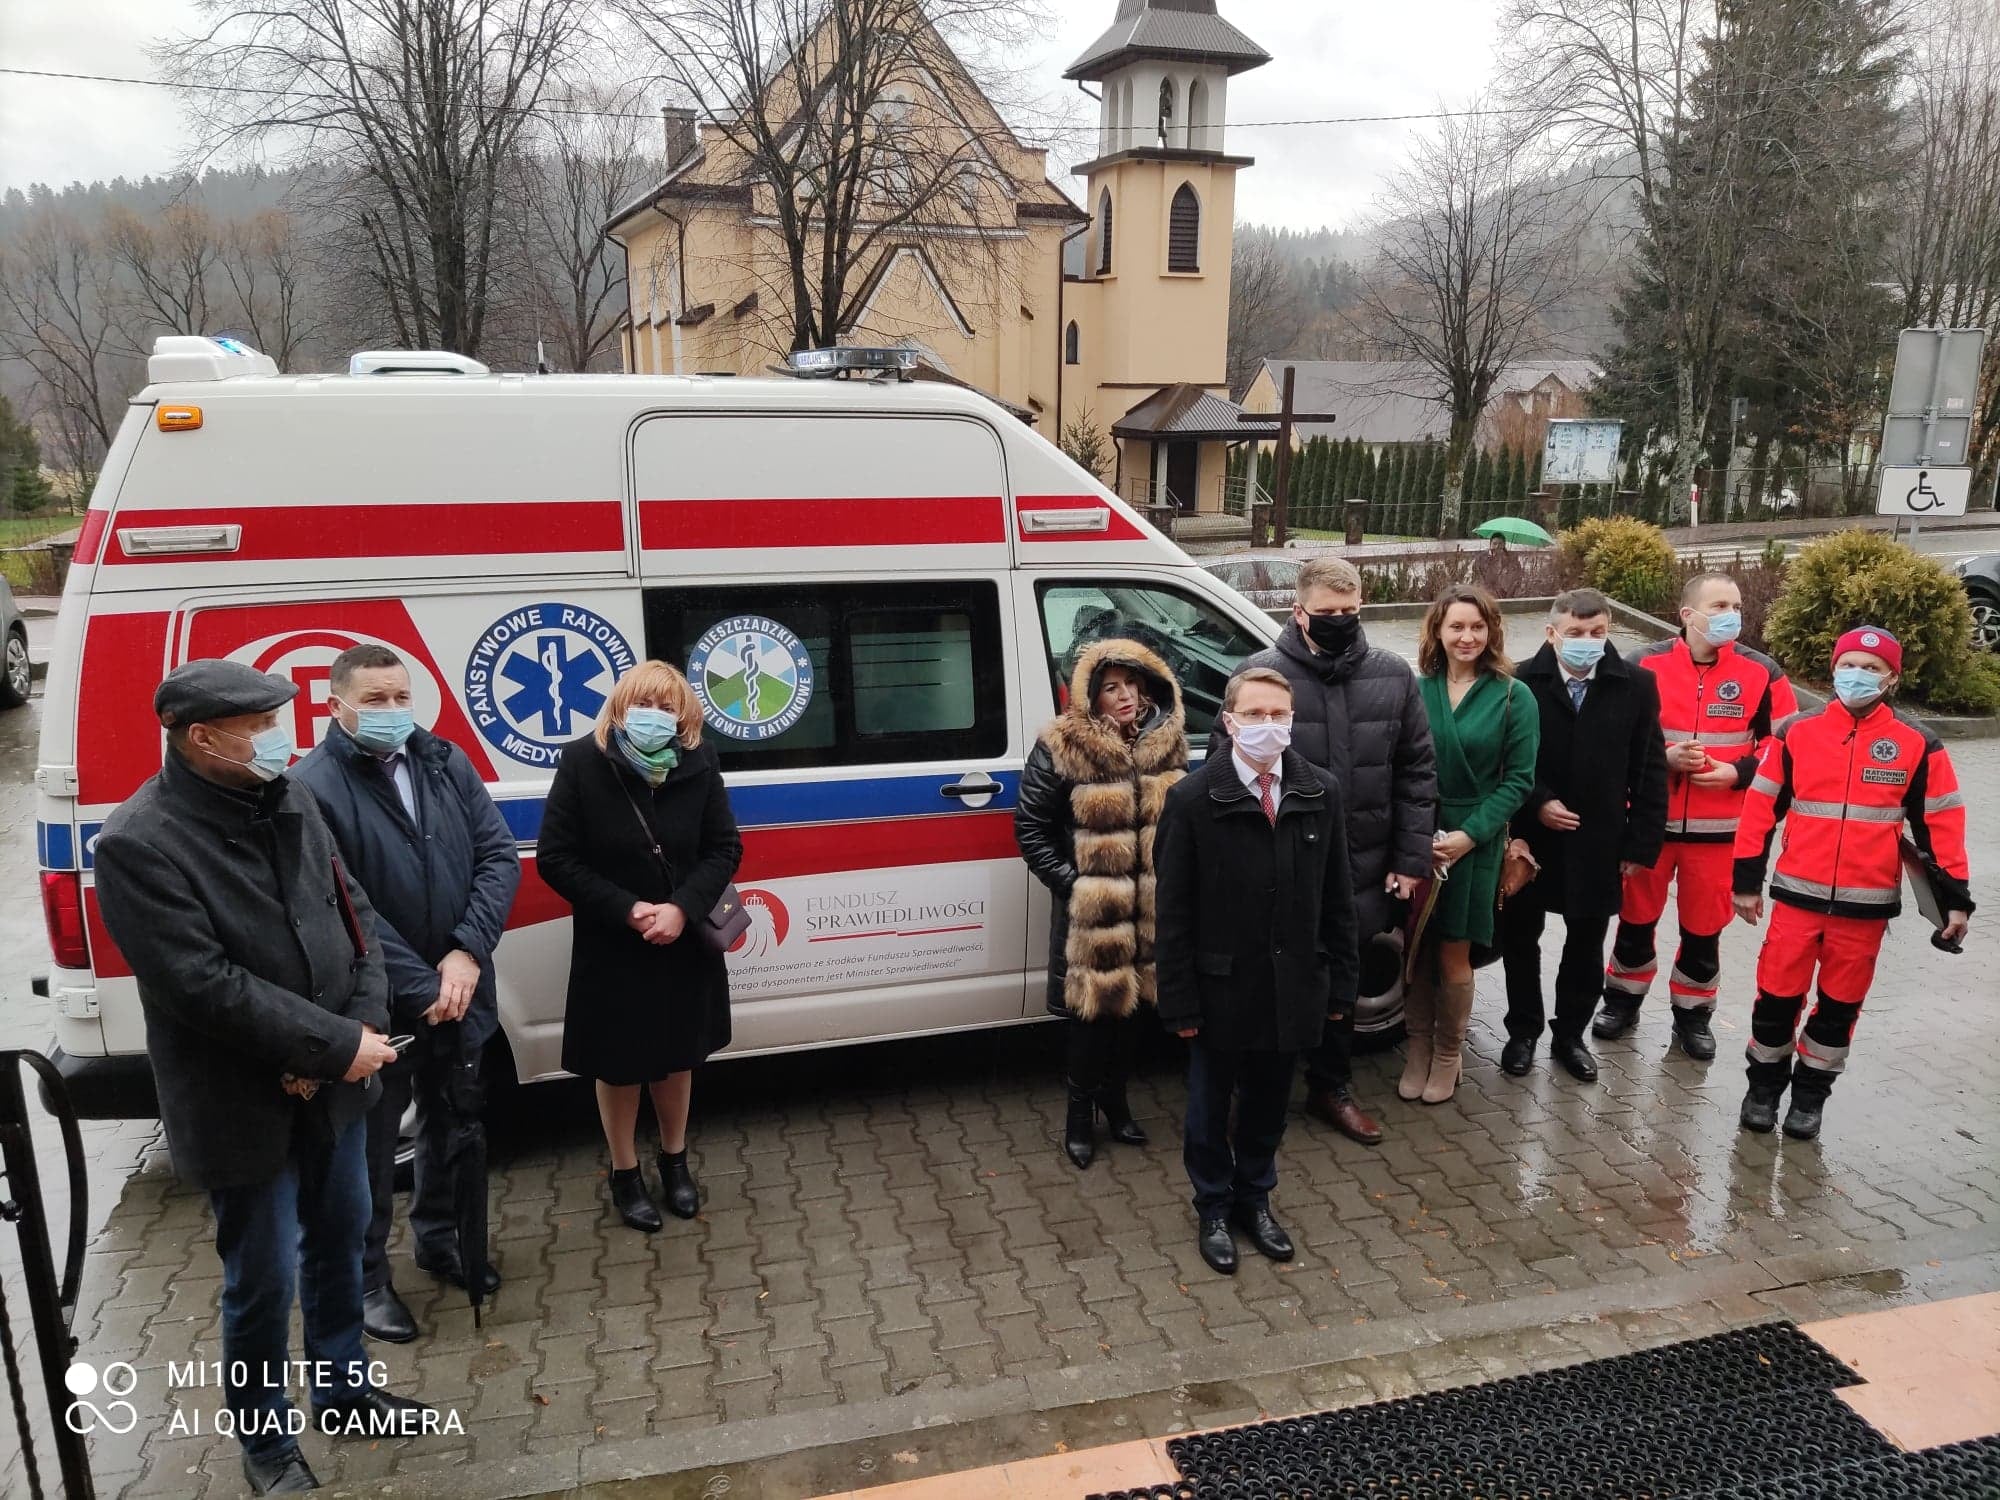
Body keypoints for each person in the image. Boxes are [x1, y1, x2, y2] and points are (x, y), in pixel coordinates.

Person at [91, 660, 424, 1497]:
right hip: (242, 1104)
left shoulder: (292, 799)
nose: (283, 739)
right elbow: (201, 985)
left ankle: (343, 1390)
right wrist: (332, 1046)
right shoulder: (139, 841)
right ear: (202, 738)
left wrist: (365, 1026)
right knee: (262, 1280)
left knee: (344, 1242)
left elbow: (357, 917)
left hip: (337, 1081)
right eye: (263, 725)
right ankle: (267, 1443)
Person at [293, 645, 522, 1345]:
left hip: (460, 992)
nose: (392, 711)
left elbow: (497, 856)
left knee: (451, 1125)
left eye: (400, 697)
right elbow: (341, 903)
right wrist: (424, 984)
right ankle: (364, 1280)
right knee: (365, 1152)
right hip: (377, 1010)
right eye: (375, 700)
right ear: (336, 707)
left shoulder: (443, 761)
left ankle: (443, 1240)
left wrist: (465, 950)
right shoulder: (313, 786)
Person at [1204, 557, 1436, 1145]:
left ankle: (1331, 1086)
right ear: (1298, 611)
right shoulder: (1259, 677)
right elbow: (1219, 775)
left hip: (1357, 863)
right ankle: (1248, 1096)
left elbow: (1416, 771)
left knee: (1341, 979)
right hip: (1275, 864)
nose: (1339, 622)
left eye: (1349, 612)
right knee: (1263, 980)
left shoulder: (1392, 673)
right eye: (1326, 614)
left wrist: (1410, 862)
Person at [1155, 668, 1359, 1275]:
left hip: (1292, 984)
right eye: (1255, 715)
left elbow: (1337, 898)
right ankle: (1213, 1205)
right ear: (1227, 719)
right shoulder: (1191, 801)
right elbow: (1173, 913)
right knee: (1209, 1107)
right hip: (1221, 988)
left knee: (1271, 1100)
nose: (1268, 726)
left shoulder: (1321, 791)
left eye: (1279, 715)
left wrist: (1341, 983)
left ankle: (1255, 1199)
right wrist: (1181, 1000)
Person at [1732, 626, 1973, 1138]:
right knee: (1775, 999)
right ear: (1833, 668)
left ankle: (1810, 1098)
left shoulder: (1917, 744)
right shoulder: (1796, 731)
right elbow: (1759, 810)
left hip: (1865, 912)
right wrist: (1746, 882)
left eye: (1871, 669)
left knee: (1838, 1010)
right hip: (1797, 899)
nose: (1857, 676)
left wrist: (1957, 903)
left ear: (1891, 679)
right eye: (1849, 665)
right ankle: (1763, 1088)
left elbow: (1942, 826)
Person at [537, 661, 742, 1231]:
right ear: (620, 708)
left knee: (677, 1059)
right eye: (641, 704)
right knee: (620, 1066)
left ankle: (675, 1162)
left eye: (665, 706)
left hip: (682, 939)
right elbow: (555, 858)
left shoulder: (700, 764)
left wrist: (682, 907)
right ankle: (624, 1173)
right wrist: (627, 909)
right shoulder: (583, 762)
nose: (652, 716)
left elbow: (724, 848)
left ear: (683, 716)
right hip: (614, 944)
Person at [1597, 573, 1797, 1058]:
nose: (1732, 614)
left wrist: (1739, 771)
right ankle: (1622, 1003)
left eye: (1736, 604)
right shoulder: (1642, 664)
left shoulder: (1763, 672)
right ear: (1688, 615)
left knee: (1703, 932)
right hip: (1650, 827)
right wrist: (1662, 759)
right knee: (1635, 922)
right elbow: (1609, 735)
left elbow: (1787, 746)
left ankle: (1692, 1017)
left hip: (1721, 832)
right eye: (1720, 604)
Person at [1016, 638, 1189, 1168]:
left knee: (1133, 1008)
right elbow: (1030, 828)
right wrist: (1077, 885)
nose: (1125, 696)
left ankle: (1117, 1103)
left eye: (1133, 684)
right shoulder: (1064, 744)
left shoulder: (1166, 741)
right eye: (1111, 686)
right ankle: (1077, 1116)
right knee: (1091, 1016)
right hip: (1092, 916)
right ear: (1091, 693)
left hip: (1150, 907)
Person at [1502, 589, 1668, 1083]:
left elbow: (1650, 767)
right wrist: (1539, 802)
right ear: (1552, 633)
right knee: (1520, 939)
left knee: (1585, 943)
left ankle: (1570, 1035)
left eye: (1597, 633)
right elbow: (1506, 760)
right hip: (1533, 840)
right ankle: (1523, 1030)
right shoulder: (1519, 681)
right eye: (1575, 633)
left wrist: (1641, 844)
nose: (1586, 642)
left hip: (1599, 841)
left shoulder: (1636, 685)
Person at [1405, 585, 1539, 1104]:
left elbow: (1519, 780)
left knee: (1454, 951)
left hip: (1474, 838)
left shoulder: (1512, 695)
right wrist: (1416, 833)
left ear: (1492, 631)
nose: (1467, 636)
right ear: (1438, 630)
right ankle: (1418, 1048)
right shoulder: (1418, 688)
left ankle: (1447, 1054)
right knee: (1413, 951)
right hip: (1420, 830)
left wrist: (1468, 836)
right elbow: (1403, 766)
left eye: (1477, 627)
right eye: (1457, 626)